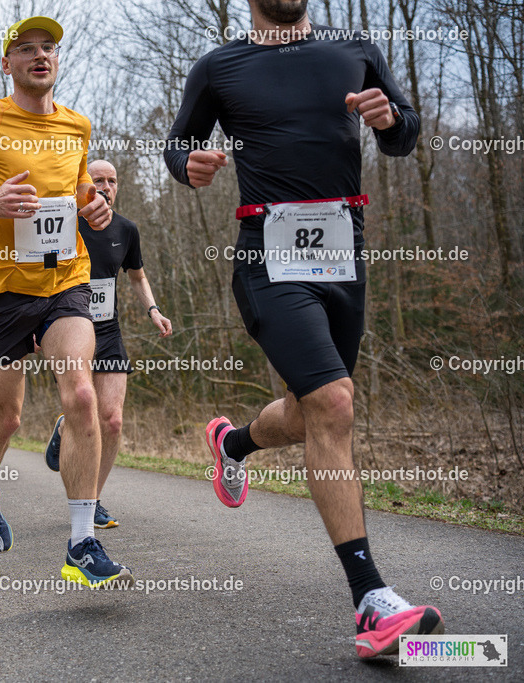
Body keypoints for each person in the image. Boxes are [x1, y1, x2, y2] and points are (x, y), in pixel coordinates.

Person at [163, 0, 442, 657]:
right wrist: (189, 165)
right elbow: (177, 142)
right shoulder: (219, 65)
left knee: (309, 409)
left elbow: (405, 136)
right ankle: (372, 601)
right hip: (268, 254)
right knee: (334, 402)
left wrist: (391, 118)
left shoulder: (355, 50)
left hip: (344, 252)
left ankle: (233, 444)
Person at [0, 16, 132, 588]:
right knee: (7, 416)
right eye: (27, 50)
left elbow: (79, 191)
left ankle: (81, 543)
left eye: (49, 49)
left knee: (83, 394)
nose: (41, 56)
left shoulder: (77, 126)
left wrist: (96, 208)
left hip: (66, 281)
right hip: (1, 293)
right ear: (8, 63)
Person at [44, 160, 172, 528]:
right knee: (85, 408)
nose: (105, 186)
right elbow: (46, 274)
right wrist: (39, 325)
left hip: (108, 330)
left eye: (112, 180)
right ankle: (68, 432)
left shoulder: (126, 229)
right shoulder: (68, 223)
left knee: (112, 420)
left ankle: (94, 498)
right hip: (68, 327)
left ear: (118, 187)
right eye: (97, 180)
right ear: (85, 184)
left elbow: (138, 277)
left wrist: (154, 310)